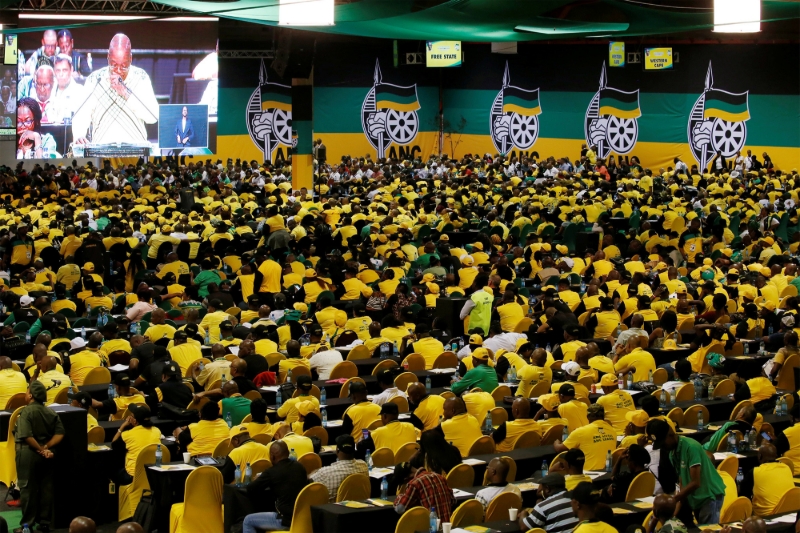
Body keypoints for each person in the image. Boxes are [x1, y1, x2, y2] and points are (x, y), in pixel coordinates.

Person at [72, 34, 159, 146]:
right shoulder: (95, 79)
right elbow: (81, 115)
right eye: (113, 65)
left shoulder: (141, 77)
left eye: (123, 66)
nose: (118, 70)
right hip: (102, 151)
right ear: (108, 57)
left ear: (130, 59)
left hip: (136, 151)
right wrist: (79, 134)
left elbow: (152, 117)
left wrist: (125, 92)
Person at [648, 419, 726, 525]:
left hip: (710, 496)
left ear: (671, 434)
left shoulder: (690, 447)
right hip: (697, 499)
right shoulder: (672, 453)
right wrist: (673, 513)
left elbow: (695, 482)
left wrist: (673, 500)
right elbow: (682, 483)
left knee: (708, 531)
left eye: (663, 442)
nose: (662, 446)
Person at [15, 381, 65, 533]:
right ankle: (44, 523)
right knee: (46, 488)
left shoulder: (26, 412)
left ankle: (27, 525)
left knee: (27, 488)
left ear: (30, 395)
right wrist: (46, 447)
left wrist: (39, 449)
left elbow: (26, 436)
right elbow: (60, 433)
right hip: (47, 455)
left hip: (28, 454)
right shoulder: (50, 412)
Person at [242, 440, 308, 532]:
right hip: (303, 518)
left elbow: (250, 489)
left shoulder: (271, 472)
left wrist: (259, 478)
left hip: (284, 520)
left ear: (272, 456)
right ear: (288, 453)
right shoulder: (300, 467)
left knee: (248, 520)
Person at [393, 442, 456, 521]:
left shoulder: (415, 483)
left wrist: (399, 496)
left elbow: (400, 509)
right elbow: (453, 501)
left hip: (431, 528)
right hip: (447, 527)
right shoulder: (439, 476)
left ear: (407, 478)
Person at [555, 404, 616, 471]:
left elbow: (559, 449)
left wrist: (556, 442)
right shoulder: (612, 430)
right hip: (608, 472)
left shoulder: (580, 432)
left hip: (589, 472)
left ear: (588, 416)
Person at [110, 405, 162, 485]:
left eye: (131, 416)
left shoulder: (127, 435)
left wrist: (122, 426)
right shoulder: (157, 431)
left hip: (132, 476)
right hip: (152, 474)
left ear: (135, 421)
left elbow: (114, 444)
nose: (129, 417)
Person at [310, 434, 369, 502]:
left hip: (332, 510)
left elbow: (309, 482)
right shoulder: (364, 466)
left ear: (337, 450)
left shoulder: (325, 473)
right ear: (354, 450)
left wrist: (314, 472)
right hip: (360, 508)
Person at [746, 443, 794, 516]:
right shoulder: (786, 468)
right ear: (776, 456)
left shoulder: (755, 472)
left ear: (759, 456)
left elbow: (744, 496)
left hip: (765, 515)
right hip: (788, 512)